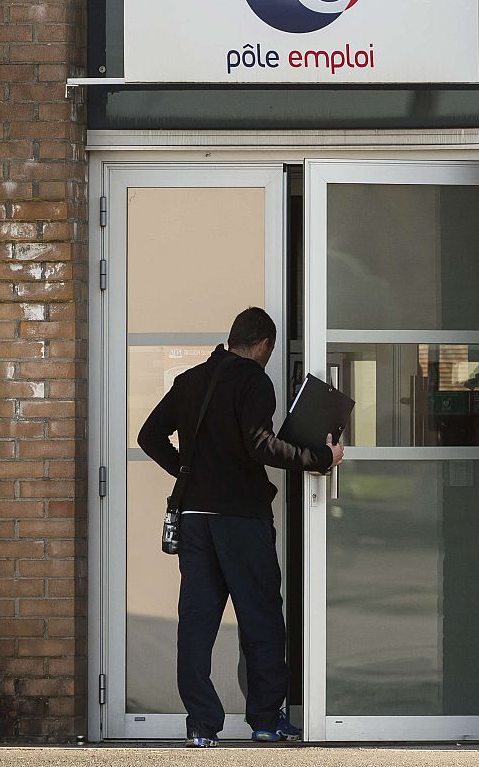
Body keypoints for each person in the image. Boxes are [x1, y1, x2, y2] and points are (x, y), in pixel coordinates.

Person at [138, 306, 343, 747]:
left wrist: (187, 471)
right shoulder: (254, 381)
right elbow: (260, 445)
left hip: (195, 518)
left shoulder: (190, 380)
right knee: (261, 618)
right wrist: (321, 458)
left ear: (232, 338)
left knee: (196, 621)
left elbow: (148, 435)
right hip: (241, 519)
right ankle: (266, 722)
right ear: (265, 344)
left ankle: (201, 724)